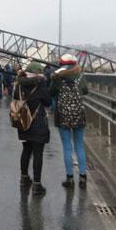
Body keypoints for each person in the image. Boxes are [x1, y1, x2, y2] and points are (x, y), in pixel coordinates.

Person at [50, 54, 89, 189]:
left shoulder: (57, 77)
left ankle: (70, 178)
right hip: (78, 113)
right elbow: (85, 91)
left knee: (67, 147)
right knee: (79, 145)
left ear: (61, 64)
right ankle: (83, 177)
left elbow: (51, 92)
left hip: (63, 115)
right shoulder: (79, 75)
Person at [13, 62, 52, 195]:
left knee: (26, 150)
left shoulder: (19, 84)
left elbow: (15, 99)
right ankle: (37, 184)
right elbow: (48, 101)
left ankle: (24, 178)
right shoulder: (40, 84)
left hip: (23, 121)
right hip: (38, 122)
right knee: (38, 153)